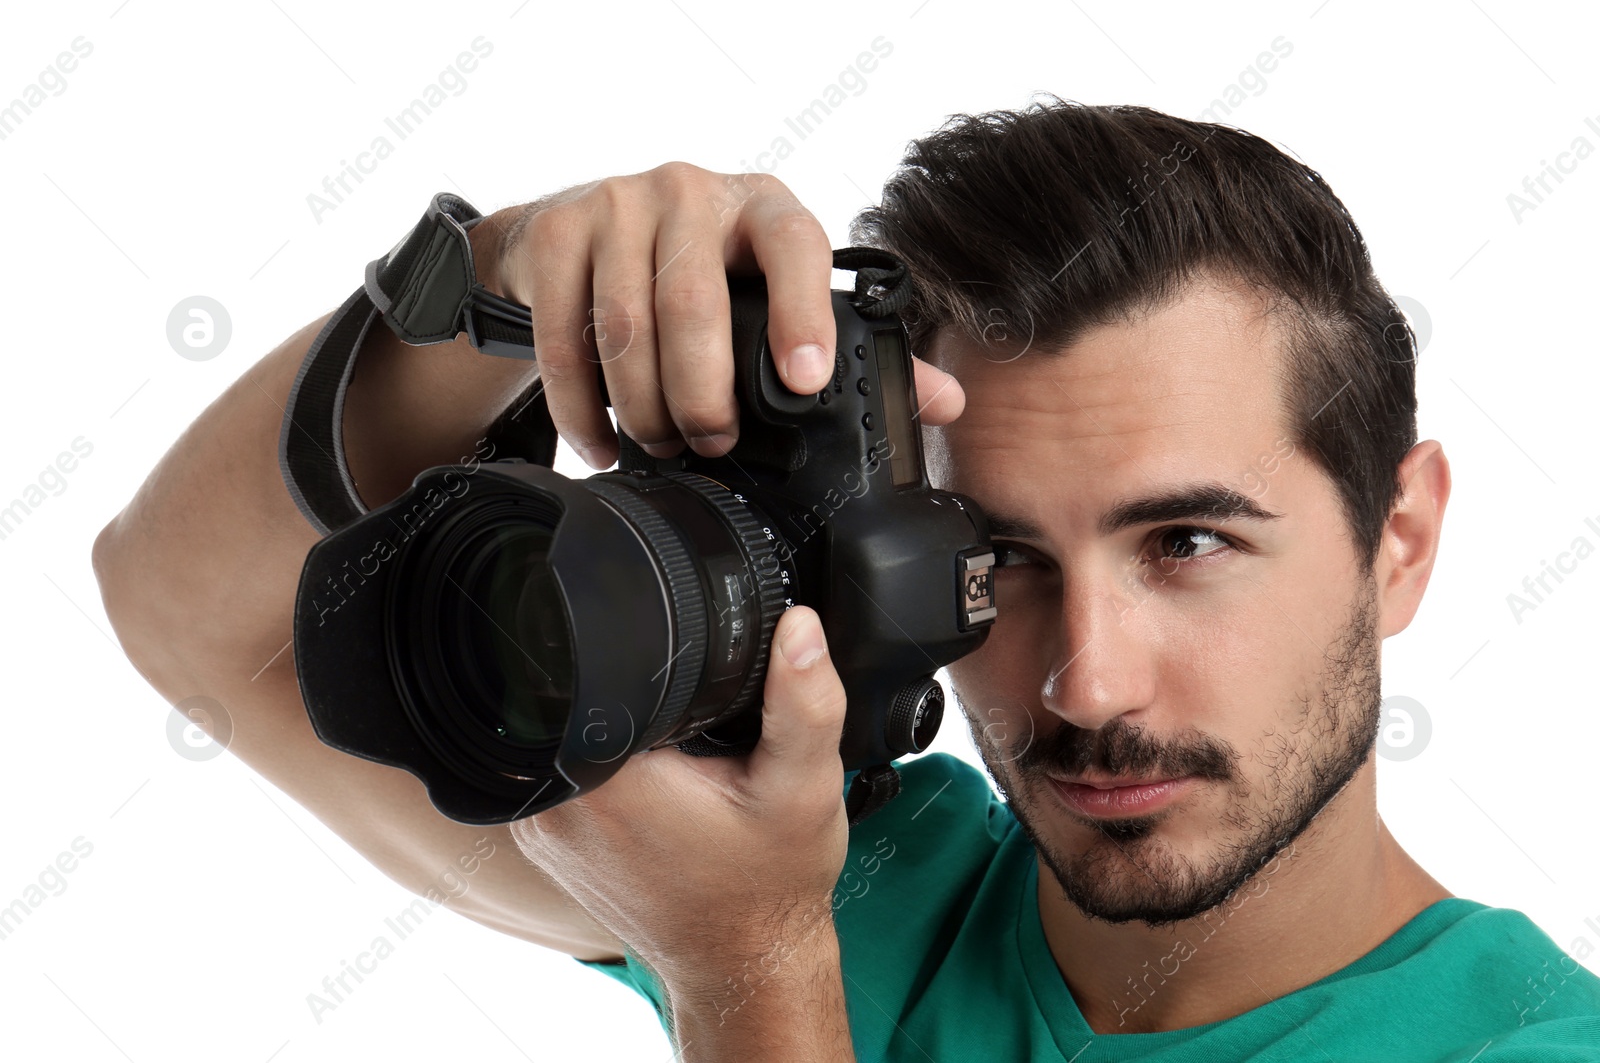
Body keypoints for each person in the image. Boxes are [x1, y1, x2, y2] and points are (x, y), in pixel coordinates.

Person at [92, 96, 1600, 1061]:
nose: (1082, 680)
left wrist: (750, 974)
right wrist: (492, 280)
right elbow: (184, 606)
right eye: (993, 556)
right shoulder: (853, 873)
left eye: (1185, 545)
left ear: (1397, 543)